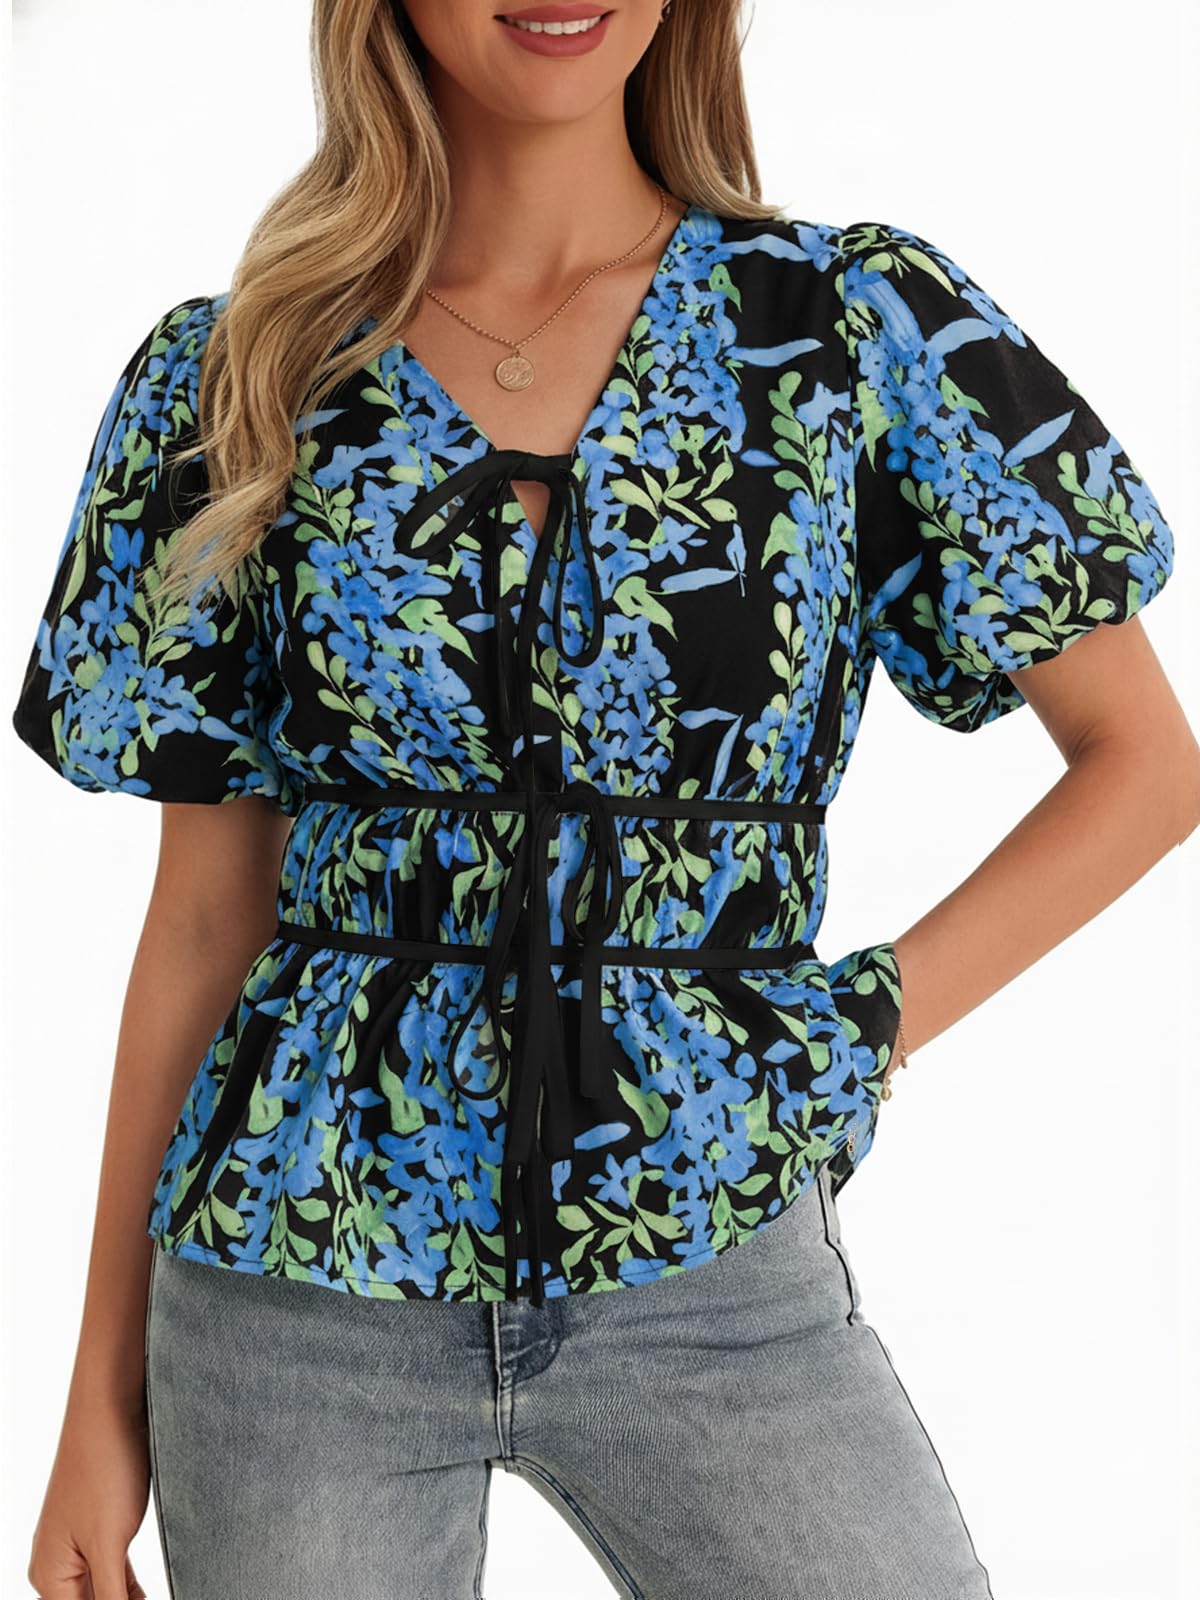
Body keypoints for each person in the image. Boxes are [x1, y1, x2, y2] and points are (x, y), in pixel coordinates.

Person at [14, 2, 1197, 1597]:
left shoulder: (844, 332)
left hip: (712, 1249)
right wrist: (98, 1405)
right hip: (298, 1282)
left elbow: (1145, 760)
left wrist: (863, 1025)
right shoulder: (240, 375)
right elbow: (205, 918)